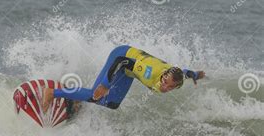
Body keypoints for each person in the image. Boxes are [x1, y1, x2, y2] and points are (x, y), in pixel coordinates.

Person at [42, 45, 205, 112]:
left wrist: (196, 74)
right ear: (163, 75)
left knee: (112, 104)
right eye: (165, 82)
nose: (165, 87)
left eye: (170, 87)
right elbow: (121, 62)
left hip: (128, 72)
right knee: (95, 94)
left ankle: (76, 98)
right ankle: (52, 93)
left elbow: (185, 72)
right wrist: (105, 85)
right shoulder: (149, 71)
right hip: (121, 57)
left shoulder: (177, 79)